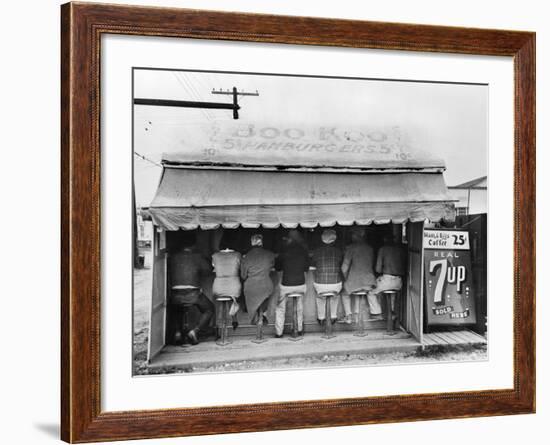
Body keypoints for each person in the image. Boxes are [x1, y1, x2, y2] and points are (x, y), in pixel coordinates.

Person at [168, 233, 214, 345]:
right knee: (209, 309)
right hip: (192, 294)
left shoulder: (173, 256)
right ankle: (195, 331)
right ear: (194, 244)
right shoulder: (197, 256)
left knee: (176, 310)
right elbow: (208, 270)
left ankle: (178, 332)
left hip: (175, 295)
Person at [274, 230, 309, 338]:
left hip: (286, 285)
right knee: (299, 306)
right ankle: (299, 329)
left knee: (280, 307)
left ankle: (279, 332)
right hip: (300, 285)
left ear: (289, 239)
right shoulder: (303, 250)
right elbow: (306, 268)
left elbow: (277, 268)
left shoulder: (284, 251)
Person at [340, 227, 376, 324]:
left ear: (357, 236)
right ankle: (356, 315)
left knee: (344, 292)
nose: (351, 236)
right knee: (358, 291)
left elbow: (344, 268)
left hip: (356, 281)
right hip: (369, 282)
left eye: (353, 234)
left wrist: (346, 278)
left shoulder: (351, 248)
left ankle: (348, 316)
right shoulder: (370, 248)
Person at [369, 232, 406, 320]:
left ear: (384, 239)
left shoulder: (383, 249)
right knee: (392, 294)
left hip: (387, 280)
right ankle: (392, 312)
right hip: (399, 282)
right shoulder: (400, 250)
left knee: (371, 292)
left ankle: (376, 312)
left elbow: (378, 269)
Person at [240, 234, 276, 325]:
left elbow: (243, 276)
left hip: (251, 288)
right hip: (266, 286)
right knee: (265, 299)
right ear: (262, 243)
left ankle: (257, 318)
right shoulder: (270, 254)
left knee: (253, 301)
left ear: (251, 243)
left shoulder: (246, 257)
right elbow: (272, 265)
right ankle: (262, 316)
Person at [311, 229, 343, 326]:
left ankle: (321, 318)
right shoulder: (339, 252)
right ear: (334, 239)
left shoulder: (316, 252)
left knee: (320, 297)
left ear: (322, 239)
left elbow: (312, 266)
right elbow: (341, 266)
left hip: (320, 285)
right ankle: (333, 316)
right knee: (335, 296)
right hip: (336, 285)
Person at [212, 239, 242, 331]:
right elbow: (241, 267)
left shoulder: (214, 255)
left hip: (218, 288)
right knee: (234, 296)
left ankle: (217, 325)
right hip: (234, 287)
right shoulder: (238, 255)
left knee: (220, 302)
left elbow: (214, 267)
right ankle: (234, 319)